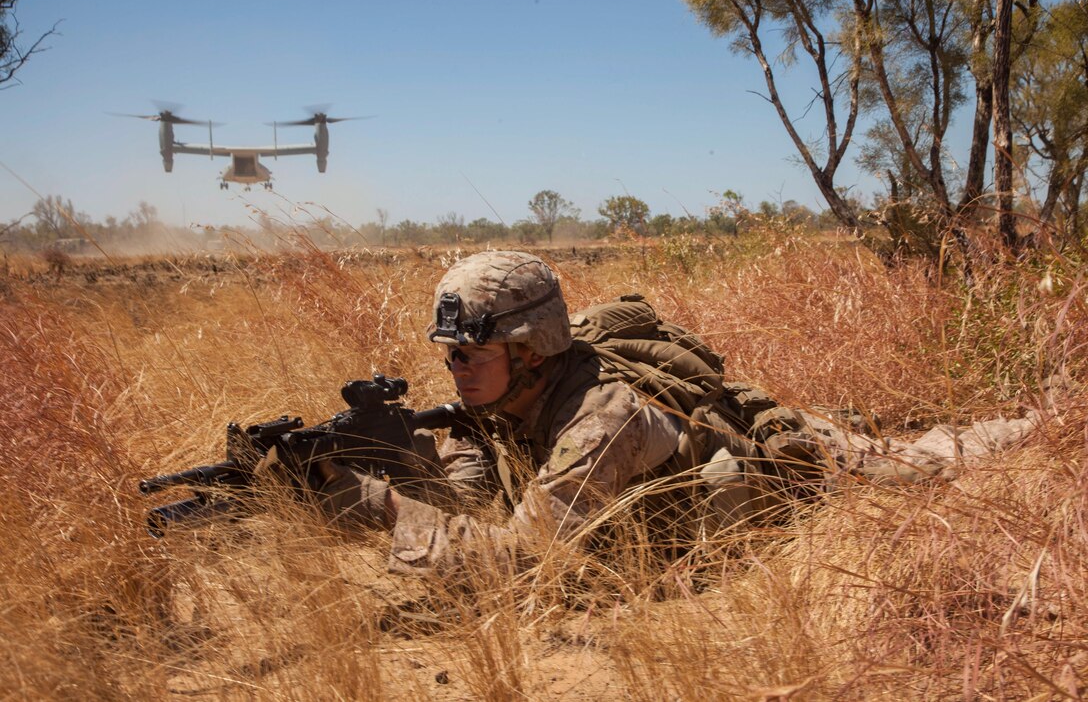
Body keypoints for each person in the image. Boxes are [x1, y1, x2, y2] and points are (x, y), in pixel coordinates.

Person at [303, 250, 1042, 579]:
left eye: (471, 353)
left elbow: (520, 556)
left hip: (793, 467)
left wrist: (379, 503)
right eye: (451, 355)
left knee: (930, 461)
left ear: (530, 350)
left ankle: (1045, 420)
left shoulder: (602, 419)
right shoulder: (510, 399)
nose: (454, 368)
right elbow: (486, 494)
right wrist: (406, 462)